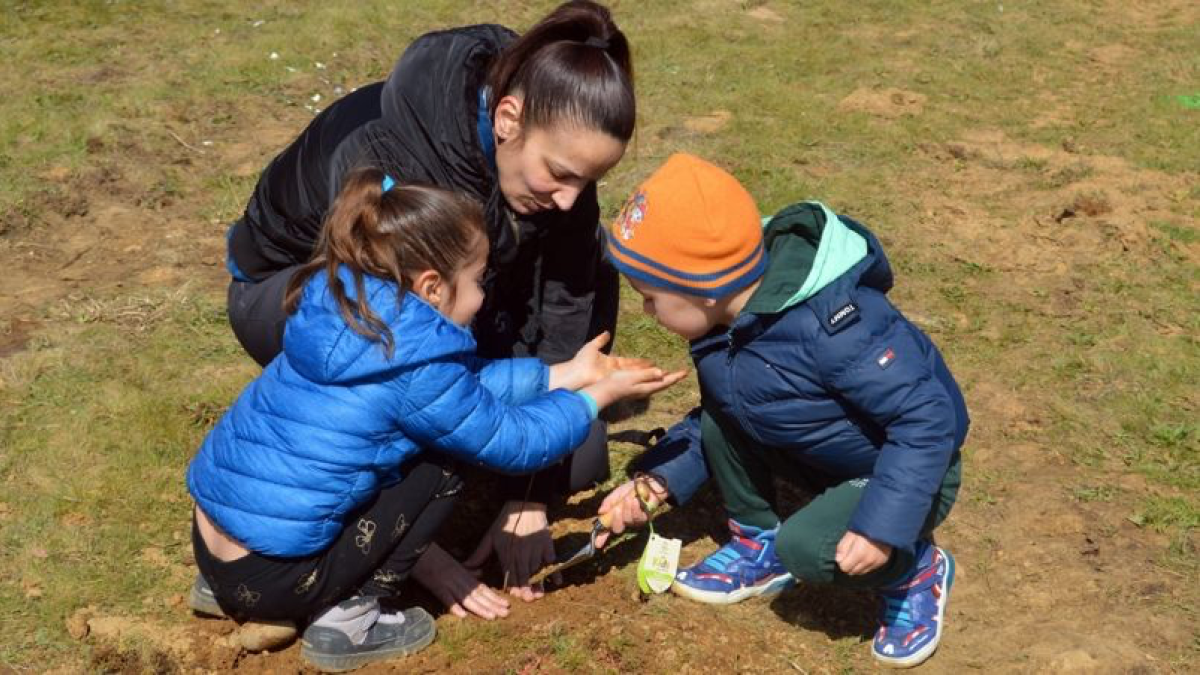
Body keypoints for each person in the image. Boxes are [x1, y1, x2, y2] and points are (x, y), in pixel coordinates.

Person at [221, 1, 636, 612]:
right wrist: (415, 554)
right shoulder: (395, 165)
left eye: (587, 182)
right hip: (295, 298)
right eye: (560, 175)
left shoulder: (552, 156)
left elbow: (571, 294)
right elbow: (370, 333)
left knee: (578, 457)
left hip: (436, 300)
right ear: (508, 118)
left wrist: (531, 491)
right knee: (430, 425)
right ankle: (363, 569)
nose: (573, 201)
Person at [187, 169, 683, 671]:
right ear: (431, 287)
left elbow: (459, 392)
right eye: (477, 280)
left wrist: (565, 373)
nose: (483, 295)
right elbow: (512, 440)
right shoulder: (418, 366)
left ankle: (231, 593)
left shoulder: (348, 307)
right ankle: (350, 619)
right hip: (275, 574)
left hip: (215, 551)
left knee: (426, 427)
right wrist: (595, 398)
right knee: (447, 456)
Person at [595, 154, 969, 668]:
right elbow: (725, 410)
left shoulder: (835, 326)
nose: (645, 311)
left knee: (809, 547)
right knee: (719, 416)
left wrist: (884, 527)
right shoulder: (724, 323)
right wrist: (658, 480)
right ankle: (757, 541)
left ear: (704, 289)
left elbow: (926, 420)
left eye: (651, 297)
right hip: (821, 459)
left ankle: (916, 567)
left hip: (906, 466)